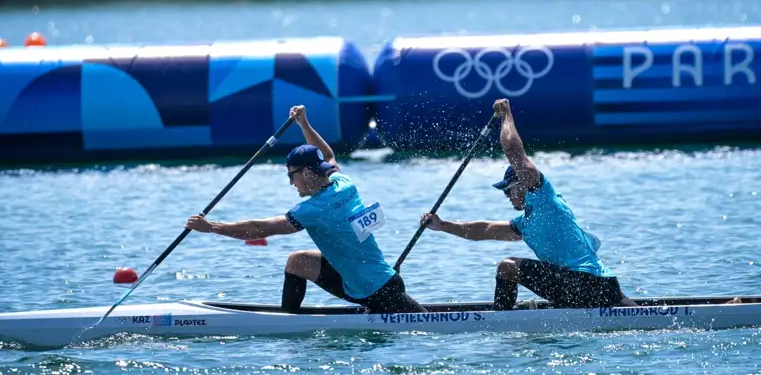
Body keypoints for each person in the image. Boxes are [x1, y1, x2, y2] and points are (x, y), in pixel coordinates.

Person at [186, 104, 426, 314]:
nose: (291, 182)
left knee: (424, 324)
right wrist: (304, 124)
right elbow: (328, 155)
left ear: (308, 173)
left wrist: (211, 227)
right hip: (374, 279)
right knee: (298, 262)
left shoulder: (313, 209)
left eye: (292, 175)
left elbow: (260, 229)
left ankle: (289, 325)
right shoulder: (344, 184)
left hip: (376, 292)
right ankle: (288, 320)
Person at [421, 98, 637, 311]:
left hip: (587, 283)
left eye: (509, 189)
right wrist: (442, 226)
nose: (507, 196)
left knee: (507, 267)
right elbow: (483, 230)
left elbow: (514, 153)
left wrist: (506, 115)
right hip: (598, 288)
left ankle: (502, 320)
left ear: (523, 183)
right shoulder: (525, 223)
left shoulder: (543, 197)